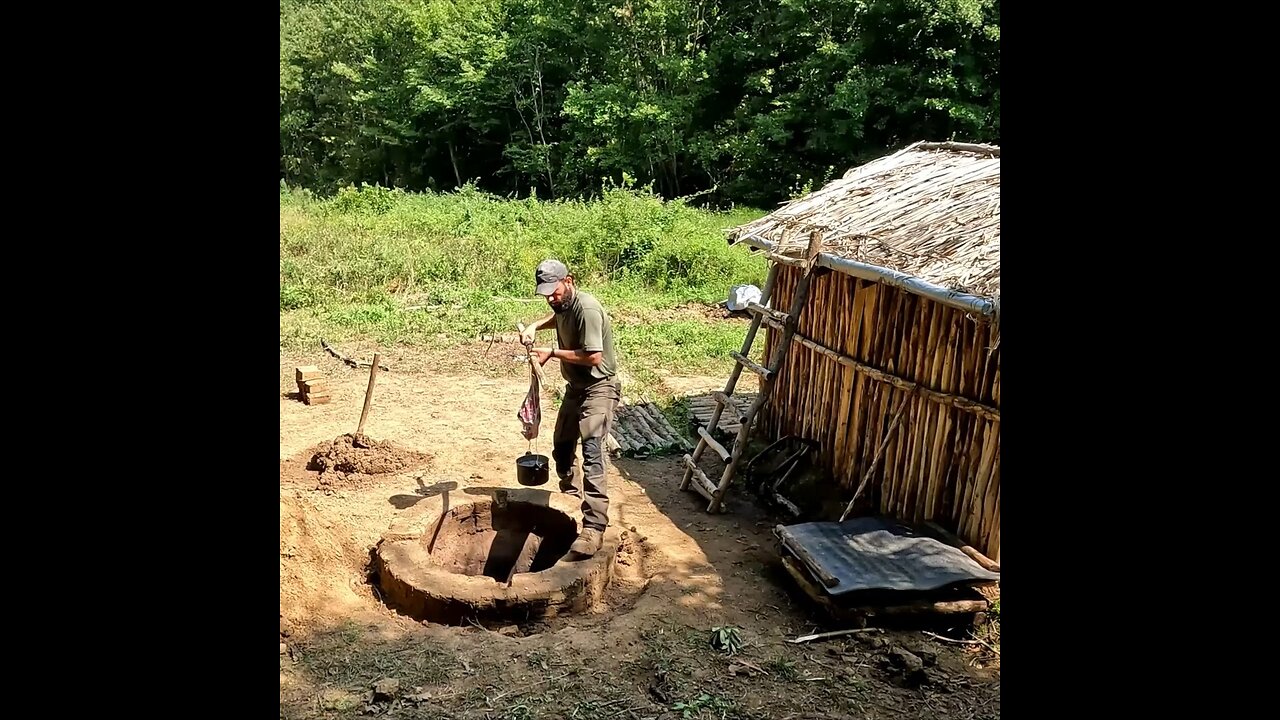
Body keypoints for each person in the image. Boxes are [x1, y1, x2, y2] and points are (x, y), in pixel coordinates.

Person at [519, 259, 621, 557]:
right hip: (575, 389)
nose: (552, 298)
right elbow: (558, 317)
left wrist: (551, 352)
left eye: (555, 291)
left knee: (592, 449)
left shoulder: (587, 309)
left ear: (570, 281)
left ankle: (594, 527)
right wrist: (536, 324)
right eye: (546, 294)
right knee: (562, 447)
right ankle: (572, 499)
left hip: (599, 388)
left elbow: (593, 357)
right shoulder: (563, 305)